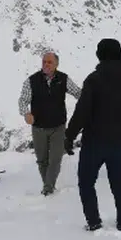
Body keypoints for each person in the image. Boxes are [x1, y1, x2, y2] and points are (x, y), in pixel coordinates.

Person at [65, 37, 121, 231]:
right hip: (120, 140)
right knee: (119, 183)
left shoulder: (94, 79)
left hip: (94, 141)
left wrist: (69, 136)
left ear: (99, 55)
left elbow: (82, 112)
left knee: (86, 183)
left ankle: (94, 222)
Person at [17, 50, 82, 195]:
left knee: (56, 158)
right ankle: (48, 184)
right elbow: (23, 100)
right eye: (44, 62)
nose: (46, 64)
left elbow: (77, 92)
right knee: (42, 160)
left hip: (58, 126)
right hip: (39, 127)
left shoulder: (63, 79)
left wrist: (90, 98)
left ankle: (48, 188)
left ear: (56, 64)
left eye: (49, 62)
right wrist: (26, 113)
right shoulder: (31, 81)